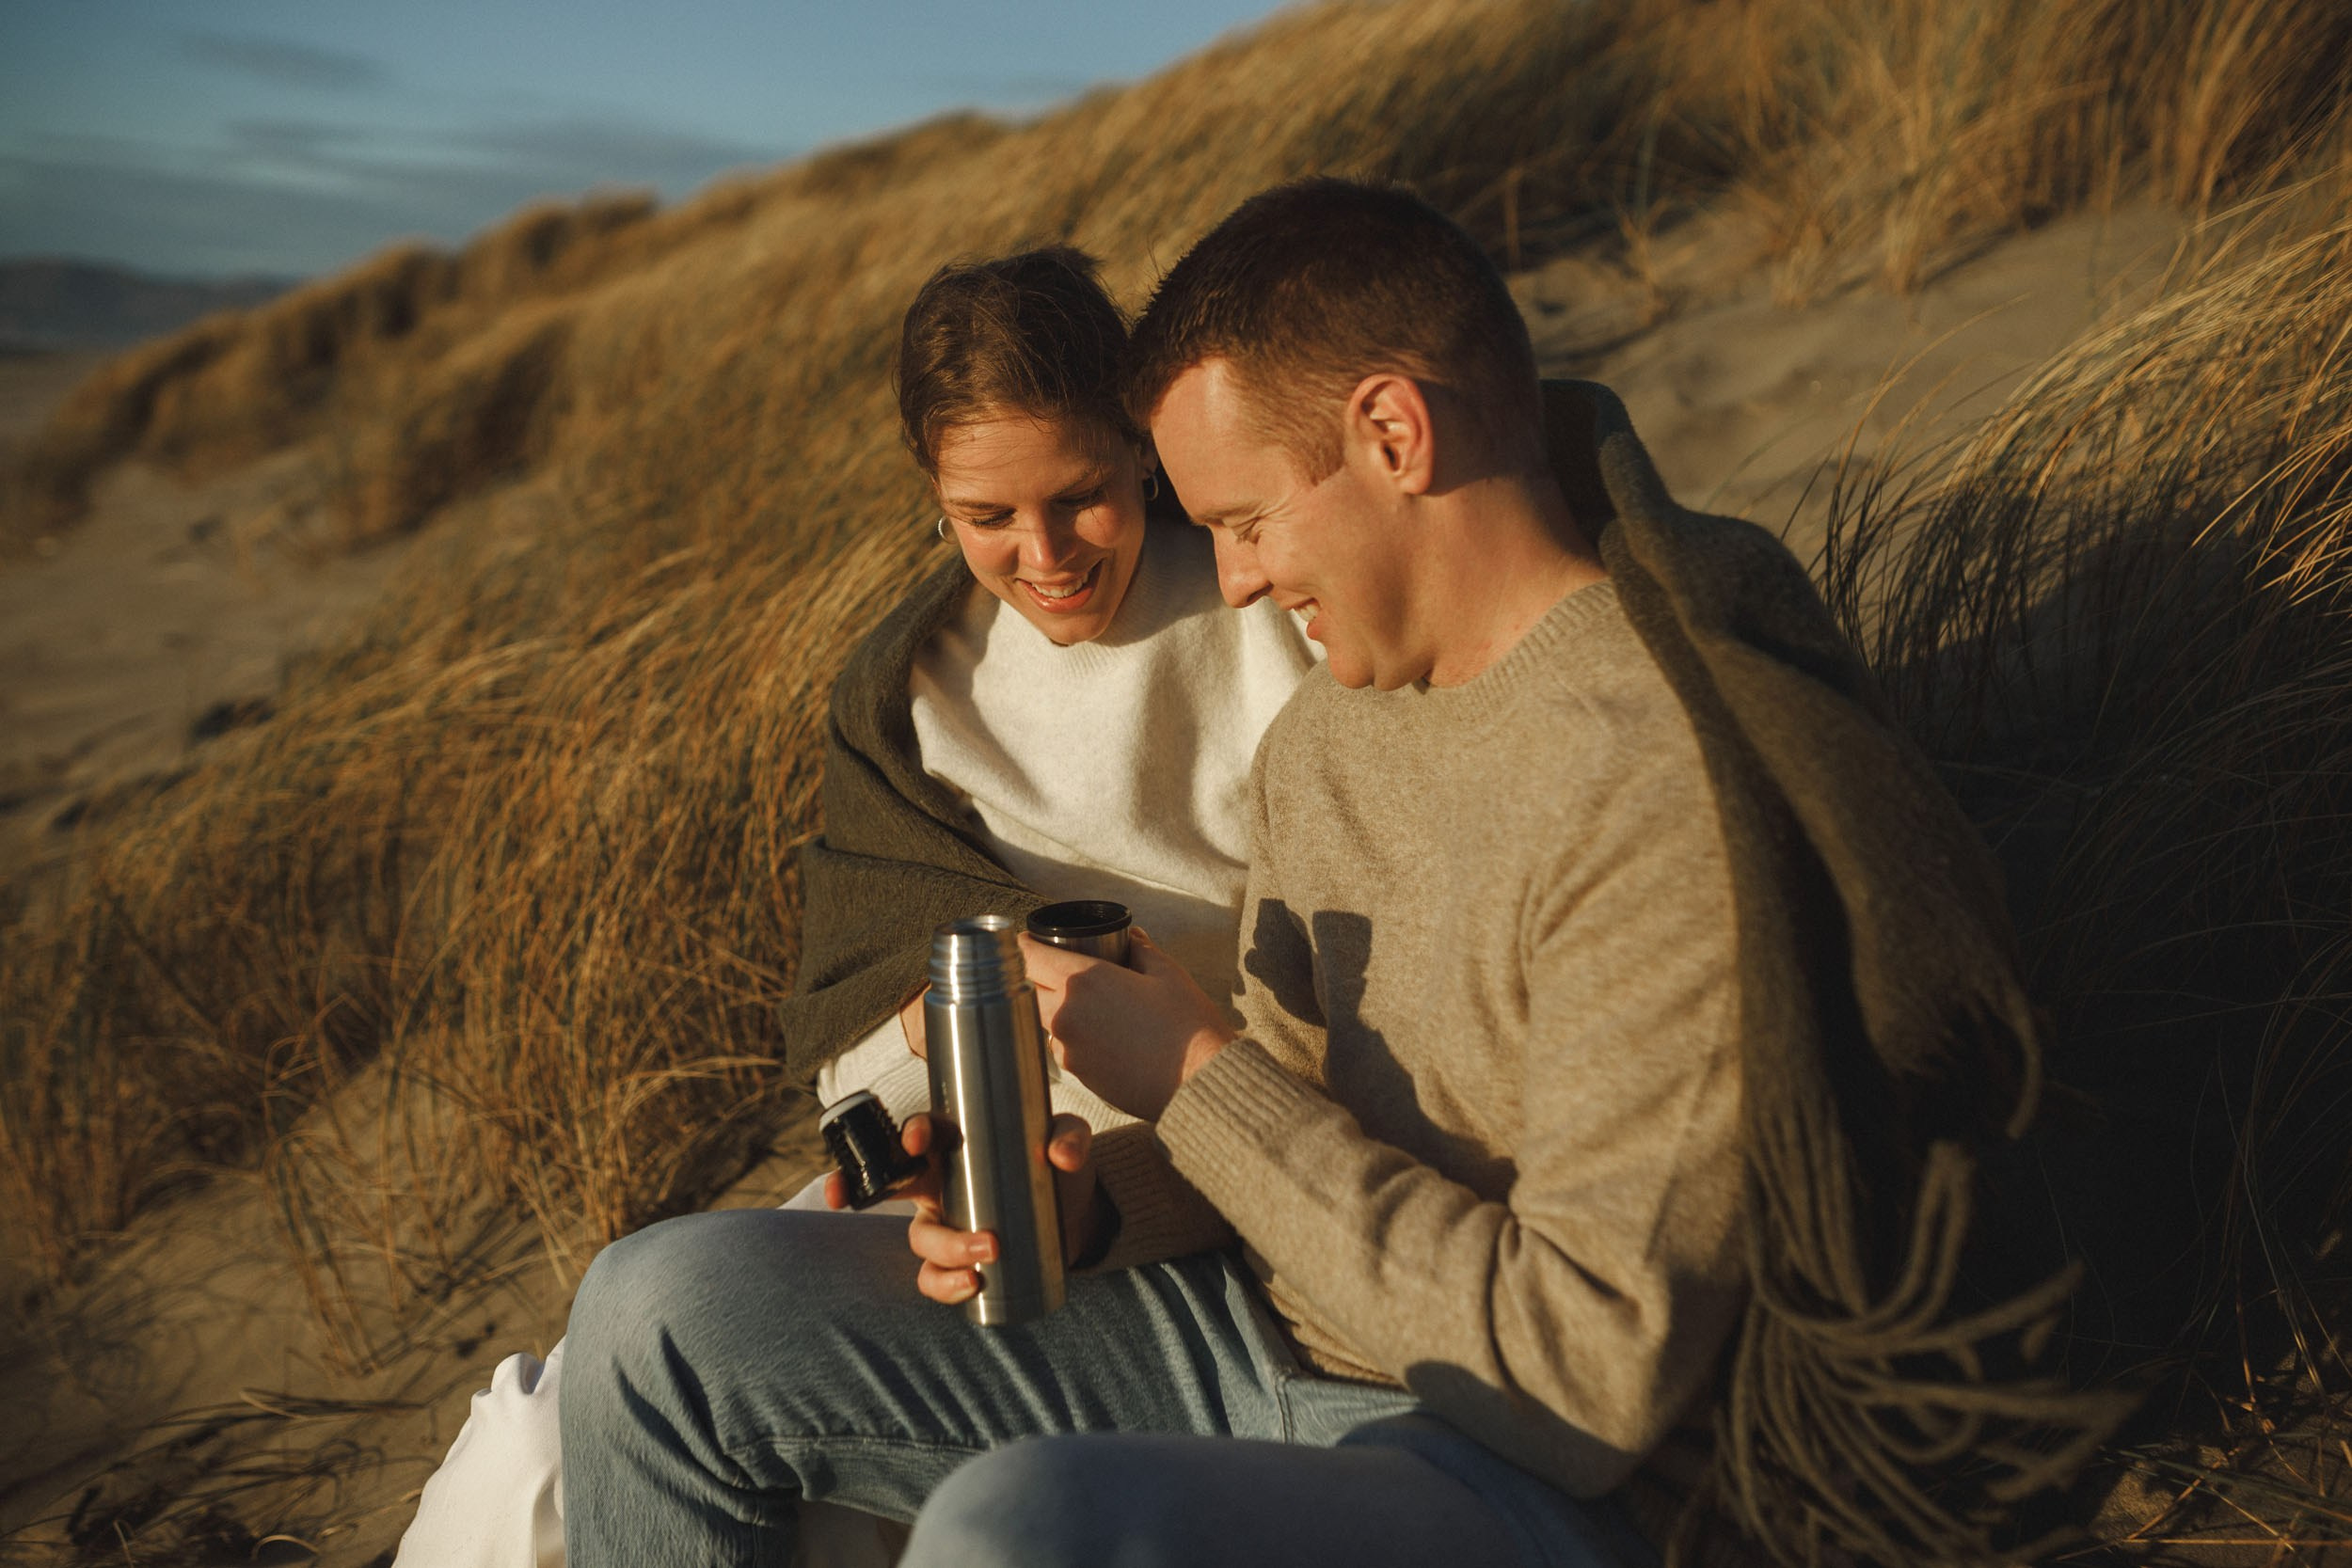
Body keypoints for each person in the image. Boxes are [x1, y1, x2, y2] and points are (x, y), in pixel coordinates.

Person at [557, 182, 2113, 1568]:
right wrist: (1091, 1212)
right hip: (1251, 1337)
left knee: (1019, 1533)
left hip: (1511, 1466)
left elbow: (1582, 1381)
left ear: (1392, 432)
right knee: (653, 1316)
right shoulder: (1331, 738)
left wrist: (1199, 1072)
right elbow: (1277, 1138)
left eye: (1239, 520)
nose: (1227, 576)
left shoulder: (1657, 782)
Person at [388, 245, 1316, 1568]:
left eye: (1084, 498)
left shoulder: (1266, 607)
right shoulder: (915, 684)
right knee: (523, 1447)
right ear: (932, 492)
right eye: (986, 515)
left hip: (1189, 1181)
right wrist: (929, 1123)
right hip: (958, 1166)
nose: (1043, 555)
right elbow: (867, 992)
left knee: (796, 1486)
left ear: (1141, 448)